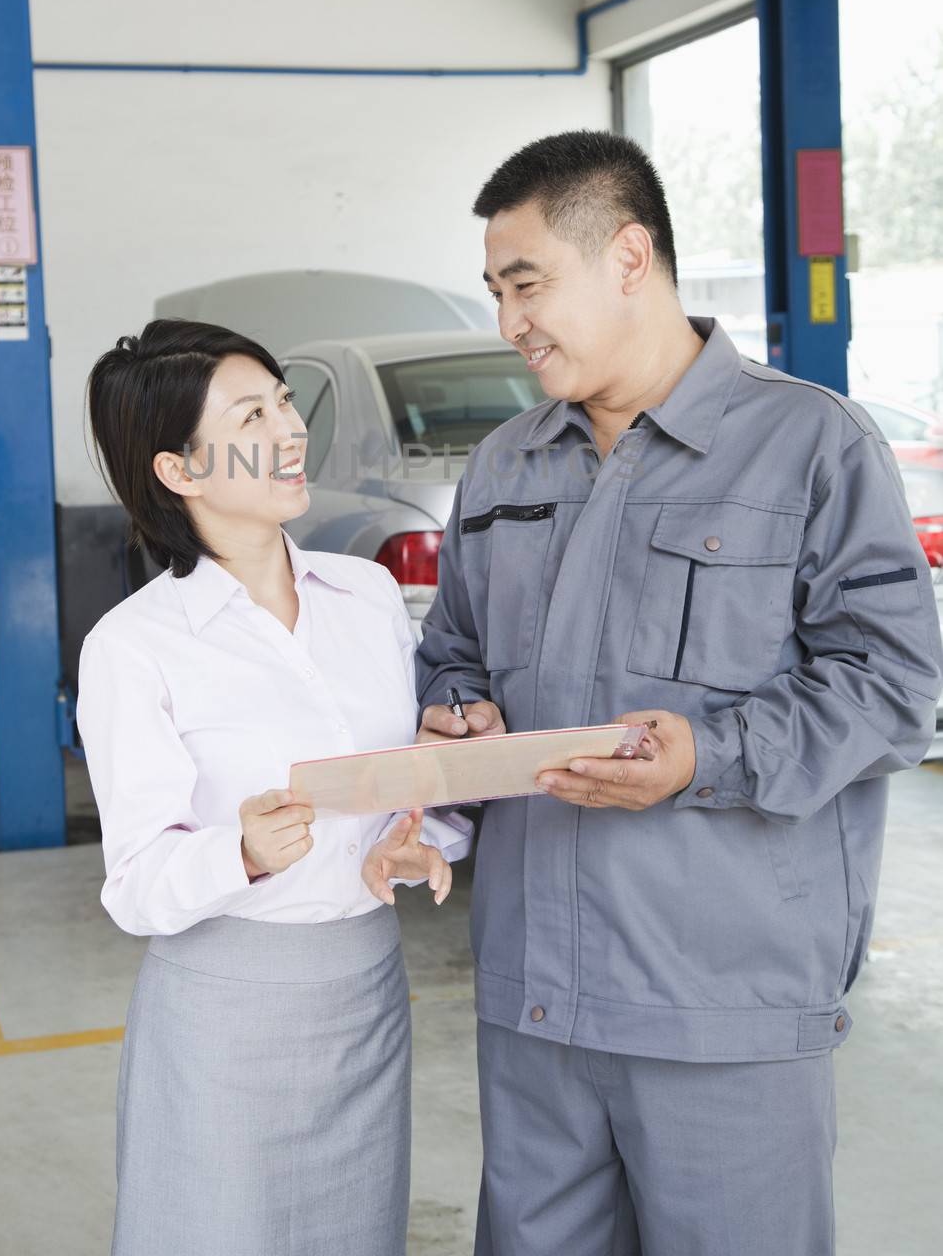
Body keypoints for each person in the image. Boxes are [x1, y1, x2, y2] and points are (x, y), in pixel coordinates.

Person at [416, 130, 942, 1256]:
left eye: (526, 284)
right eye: (494, 291)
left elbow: (895, 685)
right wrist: (457, 705)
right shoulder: (505, 464)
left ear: (626, 256)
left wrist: (706, 755)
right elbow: (453, 643)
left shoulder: (808, 446)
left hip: (719, 1003)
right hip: (533, 1001)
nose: (508, 320)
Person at [76, 318, 472, 1256]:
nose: (291, 430)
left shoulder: (364, 595)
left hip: (367, 998)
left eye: (285, 401)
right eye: (253, 413)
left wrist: (419, 838)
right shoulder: (135, 648)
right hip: (225, 1017)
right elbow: (133, 883)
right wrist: (240, 852)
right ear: (179, 470)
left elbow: (399, 779)